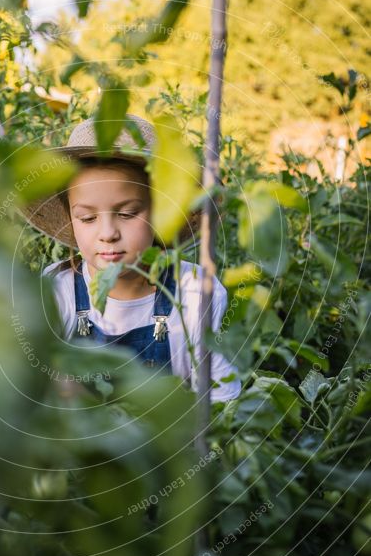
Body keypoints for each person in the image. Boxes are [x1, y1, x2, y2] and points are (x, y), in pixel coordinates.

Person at [20, 114, 240, 402]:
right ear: (71, 220)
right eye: (87, 218)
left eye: (126, 214)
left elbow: (220, 403)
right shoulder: (57, 290)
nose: (108, 233)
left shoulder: (195, 293)